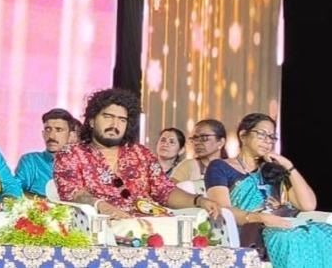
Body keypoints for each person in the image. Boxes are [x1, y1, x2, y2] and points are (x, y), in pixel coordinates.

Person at [205, 113, 332, 267]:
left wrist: (288, 165)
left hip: (283, 222)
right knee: (287, 238)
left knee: (330, 232)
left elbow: (308, 205)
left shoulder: (273, 169)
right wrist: (261, 218)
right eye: (262, 134)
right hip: (250, 228)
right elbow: (223, 209)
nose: (268, 141)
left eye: (272, 137)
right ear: (243, 135)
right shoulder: (220, 167)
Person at [54, 88, 219, 220]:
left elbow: (165, 191)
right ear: (91, 121)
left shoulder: (141, 153)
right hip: (103, 227)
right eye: (108, 117)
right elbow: (74, 193)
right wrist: (103, 207)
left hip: (153, 226)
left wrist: (198, 200)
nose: (115, 125)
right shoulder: (71, 154)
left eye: (122, 120)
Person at [14, 108, 76, 197]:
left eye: (58, 130)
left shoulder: (81, 166)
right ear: (43, 134)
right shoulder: (31, 161)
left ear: (71, 136)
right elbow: (15, 190)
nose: (51, 136)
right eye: (48, 129)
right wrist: (46, 202)